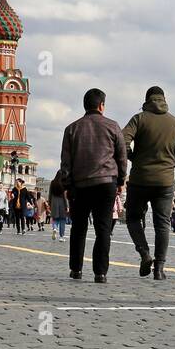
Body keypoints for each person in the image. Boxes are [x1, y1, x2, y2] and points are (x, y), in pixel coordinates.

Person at [123, 86, 175, 281]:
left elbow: (122, 139)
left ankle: (144, 253)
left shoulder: (139, 119)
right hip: (165, 181)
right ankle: (159, 268)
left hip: (140, 179)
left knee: (133, 218)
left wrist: (133, 158)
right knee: (162, 224)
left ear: (146, 100)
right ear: (163, 99)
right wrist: (172, 163)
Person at [59, 87, 128, 283]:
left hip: (80, 186)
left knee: (79, 228)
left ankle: (76, 269)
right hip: (106, 183)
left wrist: (67, 185)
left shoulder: (71, 129)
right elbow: (122, 158)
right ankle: (100, 273)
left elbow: (66, 162)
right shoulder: (113, 126)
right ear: (101, 106)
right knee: (103, 228)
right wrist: (121, 180)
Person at [48, 175, 69, 242]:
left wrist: (50, 203)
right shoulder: (63, 183)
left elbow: (50, 194)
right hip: (62, 203)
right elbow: (65, 196)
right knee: (62, 220)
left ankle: (54, 228)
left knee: (55, 219)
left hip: (54, 202)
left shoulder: (52, 182)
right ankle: (61, 237)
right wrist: (67, 206)